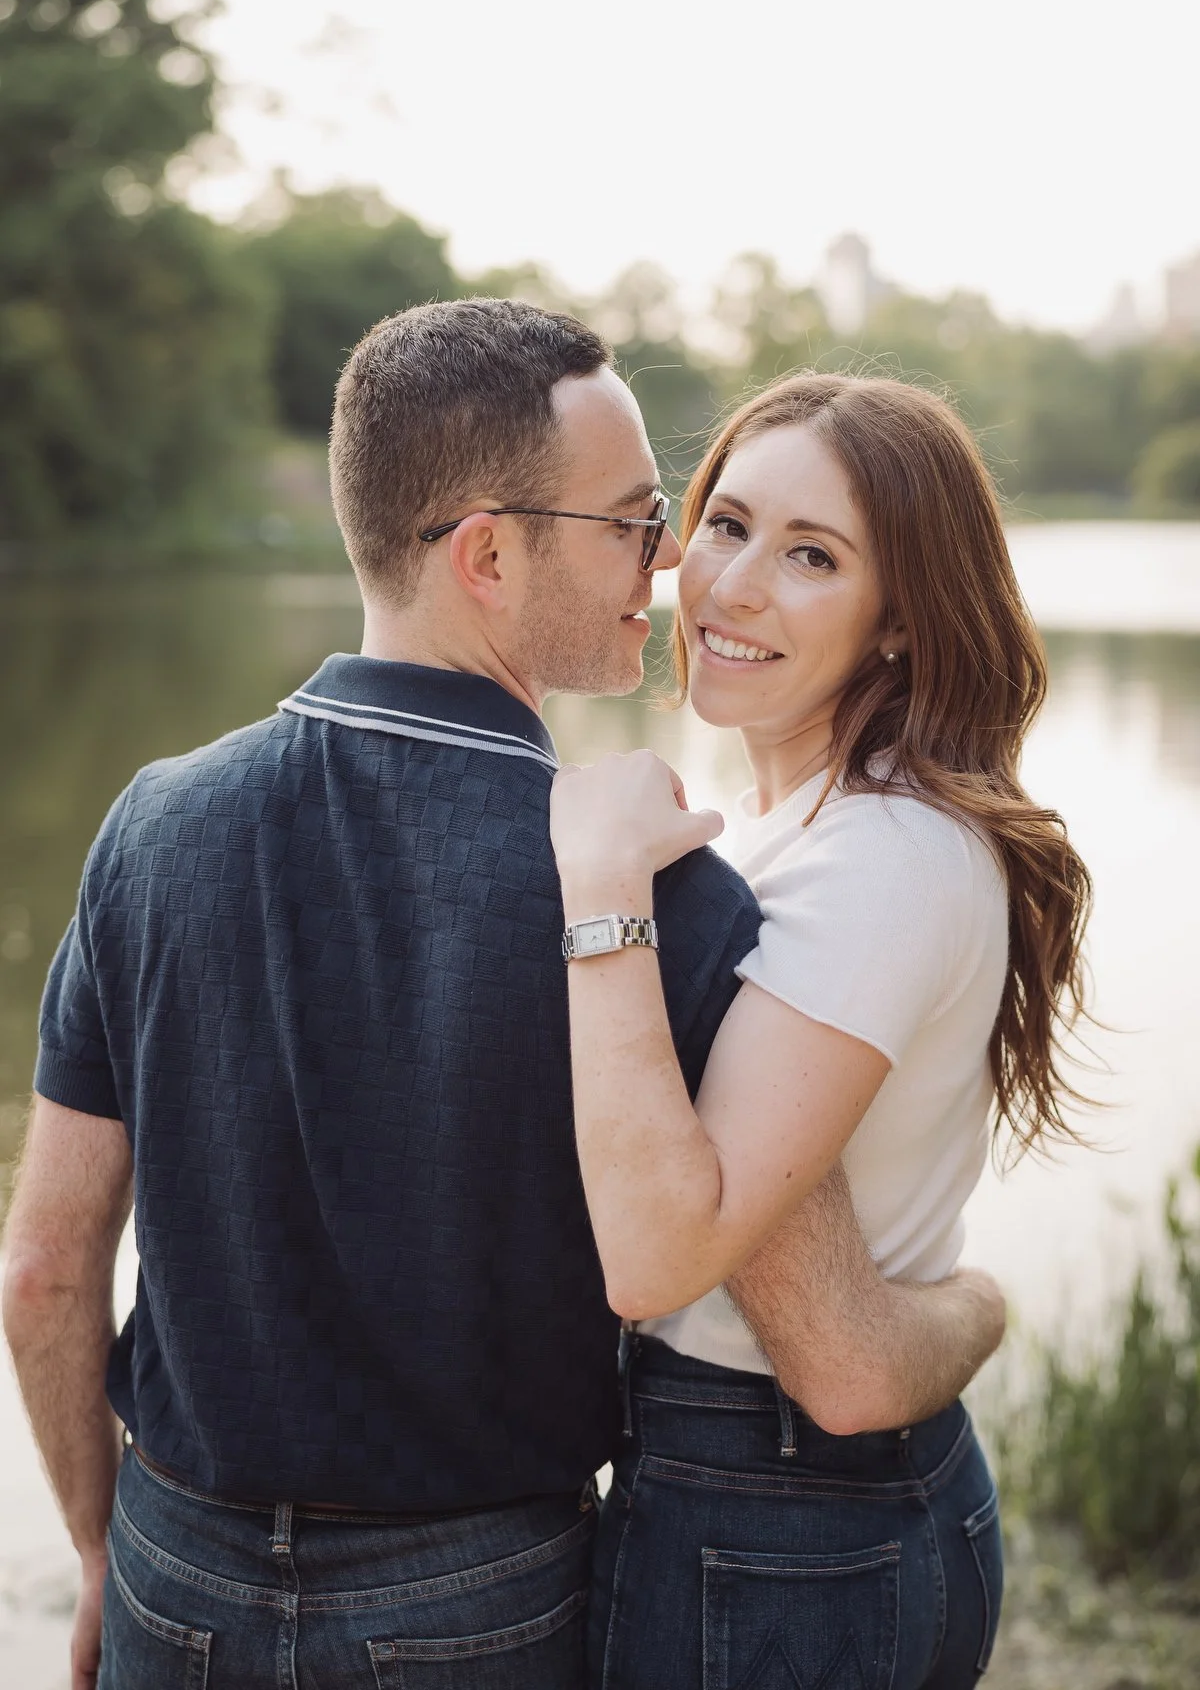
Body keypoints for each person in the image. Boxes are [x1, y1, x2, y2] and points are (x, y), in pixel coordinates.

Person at [3, 306, 1004, 1690]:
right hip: (476, 1596)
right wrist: (974, 1308)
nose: (665, 565)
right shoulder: (666, 902)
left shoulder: (150, 825)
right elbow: (796, 1310)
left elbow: (46, 1268)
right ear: (485, 552)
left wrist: (103, 1547)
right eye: (634, 522)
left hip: (177, 1567)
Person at [549, 372, 1093, 1689]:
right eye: (726, 525)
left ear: (900, 618)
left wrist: (602, 890)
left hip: (782, 1524)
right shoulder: (801, 831)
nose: (734, 585)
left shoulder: (881, 855)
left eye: (812, 556)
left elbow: (664, 1257)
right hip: (792, 1512)